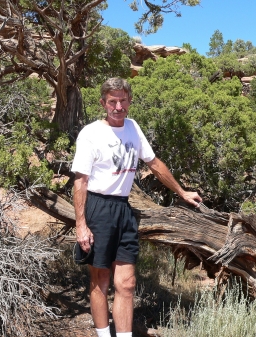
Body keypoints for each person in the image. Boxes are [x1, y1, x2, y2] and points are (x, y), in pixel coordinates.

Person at [71, 77, 202, 337]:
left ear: (129, 101)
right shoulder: (91, 133)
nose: (117, 107)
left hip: (124, 209)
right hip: (98, 208)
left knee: (127, 284)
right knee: (101, 282)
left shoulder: (132, 127)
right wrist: (81, 223)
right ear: (103, 103)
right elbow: (80, 181)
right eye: (112, 102)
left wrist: (181, 191)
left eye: (122, 101)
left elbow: (153, 163)